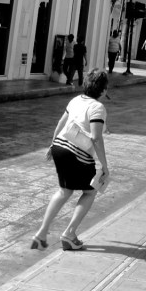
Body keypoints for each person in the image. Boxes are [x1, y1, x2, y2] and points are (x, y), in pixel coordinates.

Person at [31, 68, 110, 252]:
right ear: (103, 89)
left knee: (64, 191)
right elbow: (96, 138)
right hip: (77, 152)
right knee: (90, 191)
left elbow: (61, 123)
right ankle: (69, 233)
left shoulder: (76, 100)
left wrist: (52, 144)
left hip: (59, 147)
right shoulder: (98, 107)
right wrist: (105, 166)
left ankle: (42, 233)